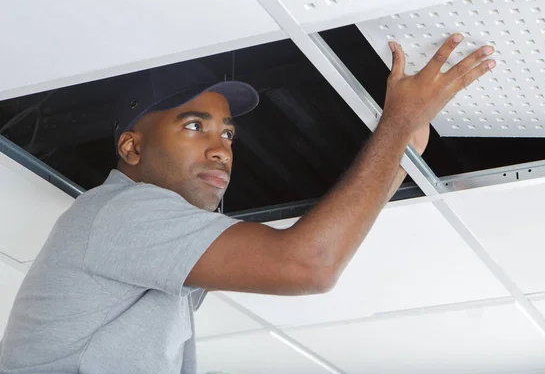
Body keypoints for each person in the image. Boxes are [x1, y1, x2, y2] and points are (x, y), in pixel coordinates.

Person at [0, 34, 495, 373]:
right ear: (131, 148)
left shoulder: (147, 242)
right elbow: (308, 264)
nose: (221, 148)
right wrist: (395, 127)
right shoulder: (121, 214)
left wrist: (400, 143)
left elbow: (309, 258)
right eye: (194, 126)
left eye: (228, 133)